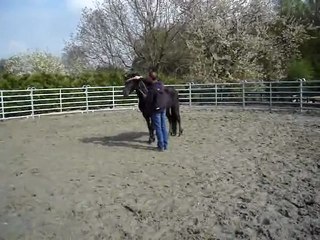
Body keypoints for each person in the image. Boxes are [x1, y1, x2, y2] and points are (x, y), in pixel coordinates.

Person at [146, 70, 168, 151]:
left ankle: (160, 145)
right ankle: (165, 145)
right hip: (163, 108)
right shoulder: (161, 85)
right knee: (163, 127)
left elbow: (149, 100)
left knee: (158, 128)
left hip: (156, 110)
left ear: (151, 78)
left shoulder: (152, 89)